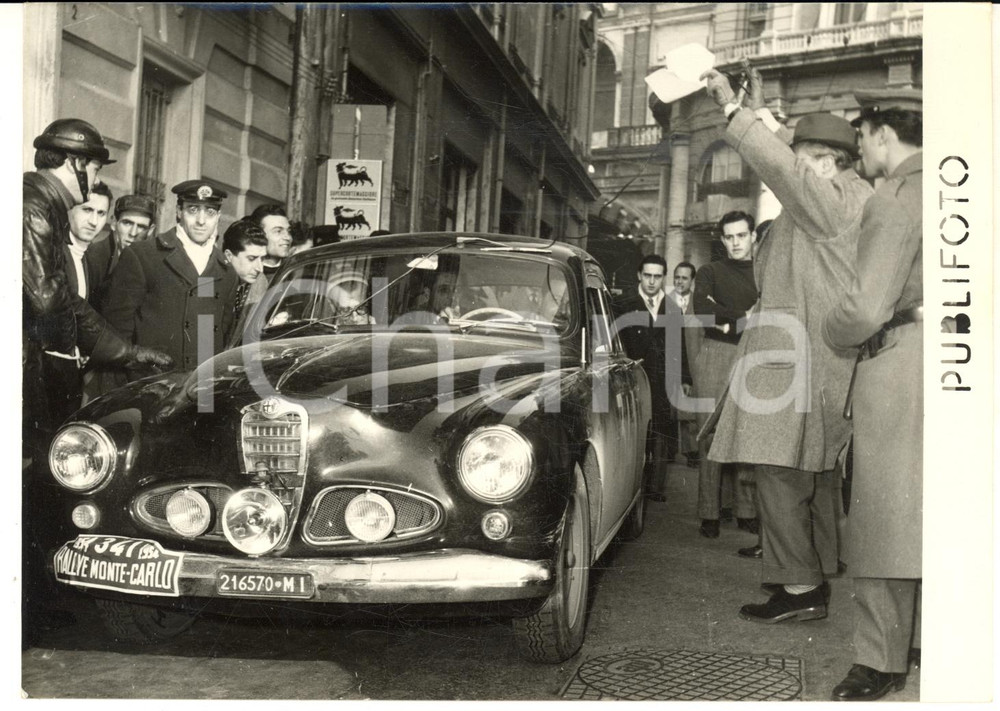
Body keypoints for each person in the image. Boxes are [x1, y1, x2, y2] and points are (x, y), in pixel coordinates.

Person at [699, 59, 873, 623]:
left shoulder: (836, 199)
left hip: (798, 364)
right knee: (799, 476)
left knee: (779, 475)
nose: (794, 165)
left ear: (826, 163)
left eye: (804, 158)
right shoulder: (832, 199)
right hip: (804, 361)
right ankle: (803, 579)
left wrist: (733, 110)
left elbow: (782, 169)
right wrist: (760, 113)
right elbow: (789, 169)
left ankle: (801, 589)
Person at [22, 118, 170, 645]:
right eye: (94, 168)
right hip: (32, 373)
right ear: (77, 164)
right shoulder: (35, 206)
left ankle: (31, 605)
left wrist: (127, 352)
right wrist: (74, 354)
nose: (94, 181)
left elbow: (68, 301)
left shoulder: (40, 206)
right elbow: (47, 300)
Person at [823, 88, 923, 701]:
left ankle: (881, 658)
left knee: (883, 507)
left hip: (900, 359)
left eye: (861, 134)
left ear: (884, 134)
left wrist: (831, 328)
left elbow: (864, 309)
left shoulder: (894, 199)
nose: (859, 146)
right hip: (955, 357)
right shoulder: (961, 186)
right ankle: (923, 639)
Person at [103, 179, 239, 375]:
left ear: (218, 216)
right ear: (179, 211)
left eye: (209, 212)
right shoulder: (144, 255)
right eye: (193, 210)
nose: (201, 221)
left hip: (198, 385)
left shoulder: (224, 270)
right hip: (148, 381)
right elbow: (117, 331)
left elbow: (210, 334)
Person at [691, 211, 759, 538]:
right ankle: (710, 512)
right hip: (715, 354)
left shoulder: (763, 273)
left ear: (753, 237)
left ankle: (747, 511)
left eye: (741, 235)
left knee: (747, 431)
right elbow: (702, 310)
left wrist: (727, 320)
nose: (735, 242)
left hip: (753, 355)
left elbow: (769, 315)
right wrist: (743, 318)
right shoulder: (710, 271)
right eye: (729, 237)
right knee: (710, 432)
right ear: (722, 239)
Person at [615, 254, 687, 502]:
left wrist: (684, 379)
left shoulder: (673, 308)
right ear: (639, 275)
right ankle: (630, 487)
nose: (652, 281)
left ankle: (655, 488)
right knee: (634, 432)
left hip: (663, 381)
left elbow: (680, 345)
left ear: (663, 277)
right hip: (632, 378)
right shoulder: (623, 304)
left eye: (657, 276)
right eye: (648, 275)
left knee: (660, 432)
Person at [86, 193, 157, 309]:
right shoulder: (93, 258)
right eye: (127, 223)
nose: (133, 233)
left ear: (150, 230)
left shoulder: (152, 264)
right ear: (114, 223)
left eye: (141, 227)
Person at [667, 261, 701, 467]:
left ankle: (692, 452)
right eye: (677, 277)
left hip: (691, 361)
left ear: (692, 281)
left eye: (684, 278)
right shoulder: (664, 302)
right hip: (669, 362)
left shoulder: (700, 304)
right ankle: (670, 451)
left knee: (690, 408)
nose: (680, 281)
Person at [223, 217, 270, 334]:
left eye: (262, 259)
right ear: (229, 256)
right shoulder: (207, 284)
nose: (259, 268)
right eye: (251, 258)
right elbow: (204, 337)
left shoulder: (260, 282)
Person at [249, 203, 292, 280]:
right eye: (278, 231)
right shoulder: (247, 273)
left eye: (288, 231)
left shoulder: (293, 270)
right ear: (259, 235)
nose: (288, 237)